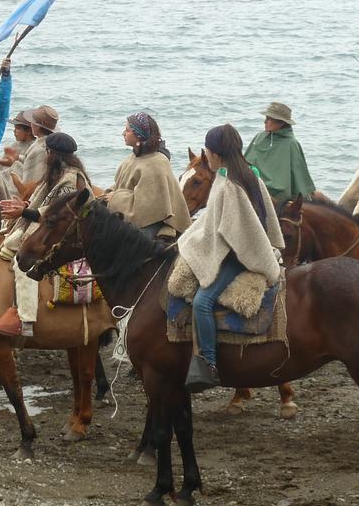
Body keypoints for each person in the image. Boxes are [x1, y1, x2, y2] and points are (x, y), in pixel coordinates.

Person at [180, 124, 284, 392]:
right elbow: (218, 222)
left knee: (202, 302)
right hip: (242, 246)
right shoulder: (249, 174)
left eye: (209, 152)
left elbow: (230, 234)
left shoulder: (228, 185)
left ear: (216, 153)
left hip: (239, 255)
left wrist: (196, 246)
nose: (208, 156)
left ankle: (209, 364)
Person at [0, 132, 91, 337]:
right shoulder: (58, 174)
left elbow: (59, 216)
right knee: (6, 242)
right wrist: (25, 206)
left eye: (47, 152)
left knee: (24, 263)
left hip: (64, 235)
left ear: (53, 154)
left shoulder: (70, 179)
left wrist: (24, 212)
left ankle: (25, 320)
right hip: (51, 227)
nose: (46, 156)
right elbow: (46, 204)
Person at [104, 112, 191, 241]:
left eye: (127, 130)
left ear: (138, 135)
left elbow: (147, 206)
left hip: (150, 222)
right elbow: (121, 185)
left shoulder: (156, 163)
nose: (123, 133)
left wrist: (115, 198)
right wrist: (108, 194)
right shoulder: (133, 157)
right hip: (130, 215)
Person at [243, 102, 316, 205]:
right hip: (254, 186)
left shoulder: (291, 144)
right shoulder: (259, 137)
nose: (265, 122)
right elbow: (246, 163)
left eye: (269, 119)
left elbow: (298, 178)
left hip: (277, 194)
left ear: (281, 123)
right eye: (266, 118)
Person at [17, 105, 59, 184]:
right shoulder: (49, 143)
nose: (31, 125)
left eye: (32, 123)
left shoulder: (39, 150)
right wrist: (17, 157)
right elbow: (29, 159)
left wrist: (14, 177)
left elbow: (29, 183)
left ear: (37, 127)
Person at [0, 110, 36, 183]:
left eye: (18, 128)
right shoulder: (14, 146)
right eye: (14, 128)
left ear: (29, 131)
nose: (14, 131)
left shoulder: (34, 147)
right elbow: (1, 168)